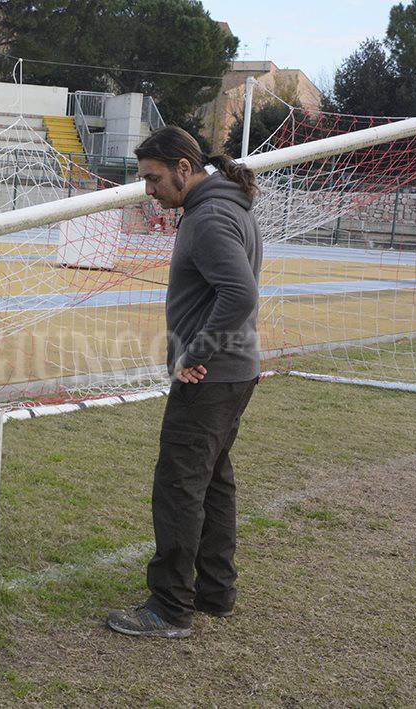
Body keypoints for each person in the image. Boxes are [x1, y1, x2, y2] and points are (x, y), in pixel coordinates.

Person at [107, 126, 261, 639]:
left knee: (179, 487)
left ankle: (170, 607)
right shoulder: (225, 206)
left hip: (212, 376)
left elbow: (239, 295)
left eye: (154, 179)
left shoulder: (210, 217)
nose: (149, 190)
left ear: (184, 168)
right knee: (214, 483)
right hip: (235, 372)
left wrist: (196, 353)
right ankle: (215, 593)